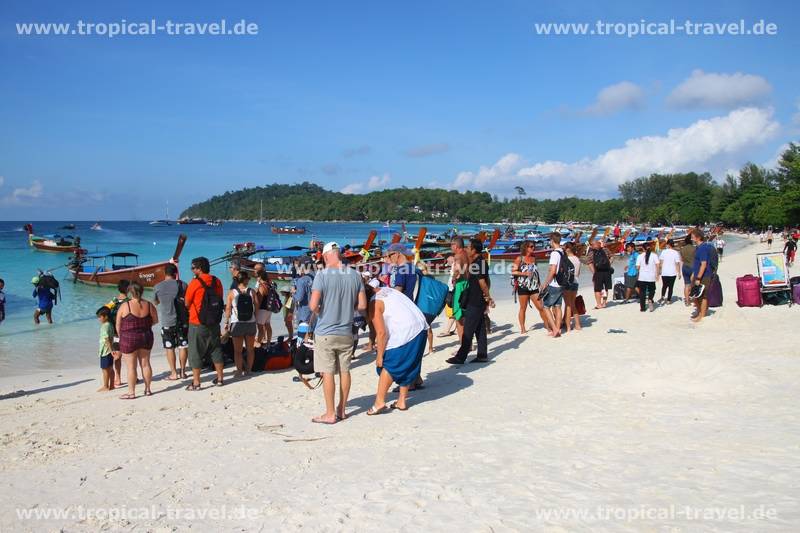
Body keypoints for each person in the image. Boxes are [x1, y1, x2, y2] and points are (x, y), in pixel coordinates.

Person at [309, 242, 367, 424]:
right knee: (345, 371)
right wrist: (347, 309)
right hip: (346, 330)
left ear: (326, 256)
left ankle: (330, 413)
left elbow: (312, 305)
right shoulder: (355, 275)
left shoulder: (322, 275)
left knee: (327, 373)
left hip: (325, 331)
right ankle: (341, 409)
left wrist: (322, 312)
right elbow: (363, 306)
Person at [365, 282, 429, 414]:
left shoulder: (374, 303)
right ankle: (401, 401)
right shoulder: (386, 290)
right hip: (421, 327)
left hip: (406, 331)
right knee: (408, 365)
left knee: (389, 365)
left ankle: (379, 402)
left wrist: (379, 356)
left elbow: (381, 333)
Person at [446, 238, 494, 364]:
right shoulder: (480, 262)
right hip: (477, 299)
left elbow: (483, 282)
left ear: (474, 249)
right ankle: (482, 355)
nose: (467, 249)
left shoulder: (478, 264)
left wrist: (488, 297)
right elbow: (487, 280)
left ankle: (461, 357)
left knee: (468, 329)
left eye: (468, 247)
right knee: (480, 328)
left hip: (475, 299)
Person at [184, 256, 225, 390]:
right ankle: (220, 378)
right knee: (216, 349)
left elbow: (187, 302)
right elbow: (220, 299)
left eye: (193, 268)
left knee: (195, 352)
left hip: (197, 322)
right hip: (214, 321)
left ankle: (196, 382)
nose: (191, 270)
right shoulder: (217, 281)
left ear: (199, 269)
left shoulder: (194, 283)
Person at [116, 281, 158, 399]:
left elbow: (118, 324)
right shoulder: (149, 305)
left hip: (129, 338)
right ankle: (148, 389)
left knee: (131, 367)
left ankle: (131, 392)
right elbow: (155, 320)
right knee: (145, 364)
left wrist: (120, 337)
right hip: (146, 336)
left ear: (130, 292)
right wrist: (144, 326)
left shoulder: (125, 306)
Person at [153, 263, 188, 380]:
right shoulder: (183, 285)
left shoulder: (157, 286)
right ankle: (183, 372)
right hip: (182, 320)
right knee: (183, 346)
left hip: (167, 321)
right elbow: (187, 302)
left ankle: (174, 373)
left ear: (165, 273)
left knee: (170, 348)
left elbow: (156, 302)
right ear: (176, 273)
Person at [511, 240, 552, 334]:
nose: (533, 248)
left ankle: (547, 326)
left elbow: (535, 273)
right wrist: (524, 273)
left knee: (541, 307)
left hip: (534, 286)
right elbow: (513, 271)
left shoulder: (534, 258)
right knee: (523, 308)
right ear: (526, 248)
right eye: (531, 247)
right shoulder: (519, 259)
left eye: (534, 246)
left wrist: (540, 284)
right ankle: (522, 328)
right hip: (523, 286)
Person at [225, 271, 258, 377]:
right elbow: (256, 307)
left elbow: (228, 308)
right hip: (250, 323)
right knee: (250, 349)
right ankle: (249, 370)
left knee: (237, 351)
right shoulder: (252, 291)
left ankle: (239, 371)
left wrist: (226, 321)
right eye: (248, 278)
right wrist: (255, 319)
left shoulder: (231, 293)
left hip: (237, 323)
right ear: (245, 280)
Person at [538, 233, 565, 338]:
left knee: (545, 306)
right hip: (561, 283)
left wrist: (545, 283)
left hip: (554, 283)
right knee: (558, 306)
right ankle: (557, 329)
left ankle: (554, 329)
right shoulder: (562, 252)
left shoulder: (554, 253)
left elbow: (553, 270)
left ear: (552, 241)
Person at [690, 229, 718, 323]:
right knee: (695, 296)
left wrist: (698, 278)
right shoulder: (698, 247)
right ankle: (700, 312)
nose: (691, 238)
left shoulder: (702, 248)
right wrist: (694, 274)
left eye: (692, 236)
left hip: (704, 276)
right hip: (698, 275)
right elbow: (697, 263)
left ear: (698, 237)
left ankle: (701, 315)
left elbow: (704, 264)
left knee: (702, 296)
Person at [449, 237, 470, 338]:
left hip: (460, 285)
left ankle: (463, 345)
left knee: (458, 317)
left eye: (451, 245)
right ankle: (468, 344)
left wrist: (453, 278)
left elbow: (458, 270)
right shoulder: (467, 254)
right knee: (465, 316)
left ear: (455, 246)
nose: (450, 247)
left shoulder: (458, 256)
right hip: (468, 284)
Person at [587, 239, 613, 309]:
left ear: (593, 245)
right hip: (607, 271)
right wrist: (609, 265)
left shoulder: (591, 253)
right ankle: (604, 303)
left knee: (597, 289)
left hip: (598, 272)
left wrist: (594, 272)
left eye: (592, 245)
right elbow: (612, 257)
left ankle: (599, 304)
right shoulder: (606, 250)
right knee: (605, 288)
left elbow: (589, 263)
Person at [96, 306, 116, 392]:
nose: (99, 319)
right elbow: (111, 338)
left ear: (106, 316)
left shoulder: (105, 326)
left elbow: (107, 339)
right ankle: (111, 385)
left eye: (100, 317)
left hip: (105, 350)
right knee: (110, 368)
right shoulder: (110, 324)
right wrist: (112, 350)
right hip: (110, 350)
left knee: (105, 369)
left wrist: (111, 350)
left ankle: (105, 386)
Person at [563, 242, 582, 332]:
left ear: (567, 249)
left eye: (564, 248)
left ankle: (568, 327)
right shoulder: (577, 259)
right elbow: (578, 273)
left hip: (568, 283)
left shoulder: (567, 259)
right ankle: (577, 325)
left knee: (568, 305)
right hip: (576, 282)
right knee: (572, 304)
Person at [635, 243, 660, 312]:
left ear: (643, 248)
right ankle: (650, 299)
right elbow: (658, 266)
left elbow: (637, 267)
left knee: (642, 292)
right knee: (652, 290)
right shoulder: (654, 256)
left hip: (642, 277)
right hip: (651, 276)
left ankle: (642, 308)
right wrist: (657, 275)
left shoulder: (640, 256)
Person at [658, 239, 682, 304]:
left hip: (664, 272)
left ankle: (662, 297)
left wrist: (659, 270)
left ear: (668, 244)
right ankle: (668, 300)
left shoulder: (663, 252)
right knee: (671, 287)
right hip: (672, 272)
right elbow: (677, 264)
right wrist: (679, 272)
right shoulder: (675, 252)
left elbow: (661, 262)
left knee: (664, 285)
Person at [255, 271, 273, 347]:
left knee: (260, 328)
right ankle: (268, 342)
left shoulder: (262, 286)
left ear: (260, 277)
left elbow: (259, 300)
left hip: (262, 309)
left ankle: (258, 344)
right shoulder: (269, 285)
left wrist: (255, 311)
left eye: (257, 276)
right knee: (268, 325)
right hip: (269, 309)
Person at [679, 234, 696, 306]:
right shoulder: (694, 248)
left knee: (686, 284)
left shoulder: (682, 249)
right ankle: (694, 300)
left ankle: (687, 301)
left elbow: (681, 259)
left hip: (684, 267)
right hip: (692, 267)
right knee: (694, 285)